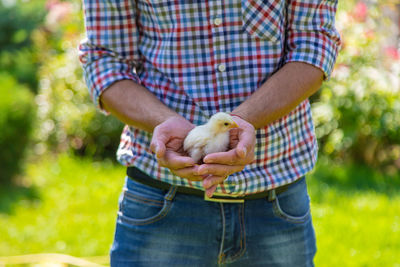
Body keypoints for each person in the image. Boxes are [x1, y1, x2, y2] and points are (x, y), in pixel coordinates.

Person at [79, 0, 341, 266]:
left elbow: (314, 44)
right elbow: (105, 60)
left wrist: (241, 121)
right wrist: (164, 121)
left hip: (276, 195)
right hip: (160, 199)